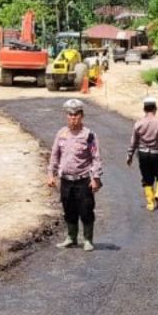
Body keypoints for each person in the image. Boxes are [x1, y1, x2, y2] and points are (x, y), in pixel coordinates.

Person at [47, 98, 103, 251]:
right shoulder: (61, 133)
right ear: (66, 116)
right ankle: (71, 238)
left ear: (82, 116)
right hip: (66, 180)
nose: (73, 118)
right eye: (70, 115)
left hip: (83, 180)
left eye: (76, 115)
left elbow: (95, 158)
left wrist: (96, 179)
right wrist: (51, 175)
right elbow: (54, 155)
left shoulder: (89, 135)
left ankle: (87, 240)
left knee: (86, 210)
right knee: (69, 210)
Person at [126, 96, 158, 212]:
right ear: (155, 109)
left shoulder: (138, 124)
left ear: (144, 109)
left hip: (143, 155)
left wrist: (129, 156)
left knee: (147, 179)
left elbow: (133, 142)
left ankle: (150, 203)